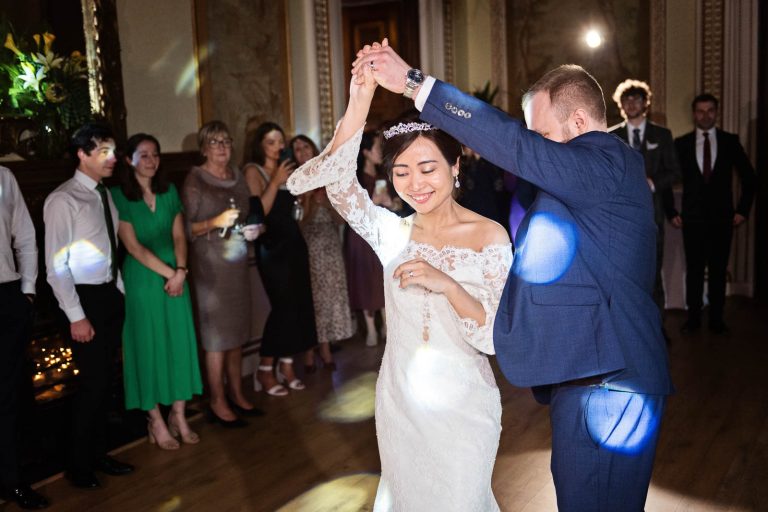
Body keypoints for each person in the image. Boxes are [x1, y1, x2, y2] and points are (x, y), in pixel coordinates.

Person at [354, 40, 673, 511]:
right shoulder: (595, 181)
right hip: (592, 373)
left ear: (580, 123)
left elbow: (514, 147)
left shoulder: (606, 162)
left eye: (541, 136)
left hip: (608, 381)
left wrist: (413, 84)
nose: (534, 150)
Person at [287, 58, 512, 511]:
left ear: (456, 165)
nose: (415, 184)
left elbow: (492, 335)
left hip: (465, 406)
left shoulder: (490, 236)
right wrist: (360, 98)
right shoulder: (391, 232)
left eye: (427, 168)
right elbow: (323, 181)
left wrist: (447, 284)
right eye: (401, 172)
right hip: (401, 404)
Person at [44, 123, 134, 489]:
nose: (112, 159)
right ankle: (78, 466)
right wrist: (77, 316)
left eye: (112, 151)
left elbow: (110, 246)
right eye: (103, 152)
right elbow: (55, 265)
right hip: (84, 301)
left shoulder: (104, 194)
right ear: (82, 154)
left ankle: (98, 454)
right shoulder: (63, 200)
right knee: (92, 385)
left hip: (108, 295)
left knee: (105, 384)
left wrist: (120, 290)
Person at [111, 134, 203, 449]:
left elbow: (179, 236)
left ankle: (178, 413)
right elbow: (133, 247)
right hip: (143, 279)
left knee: (178, 343)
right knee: (147, 344)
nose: (151, 161)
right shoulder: (118, 195)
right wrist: (170, 274)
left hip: (176, 273)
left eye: (155, 155)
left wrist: (181, 271)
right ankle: (155, 419)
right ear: (129, 160)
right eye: (144, 155)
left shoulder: (169, 191)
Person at [181, 121, 262, 427]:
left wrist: (254, 227)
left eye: (226, 141)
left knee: (237, 333)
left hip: (236, 263)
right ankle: (216, 400)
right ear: (203, 147)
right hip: (209, 269)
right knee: (216, 338)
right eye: (215, 142)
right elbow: (185, 229)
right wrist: (214, 221)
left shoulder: (237, 176)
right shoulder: (194, 180)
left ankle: (237, 393)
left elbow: (245, 214)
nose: (222, 148)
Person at [243, 122, 317, 395]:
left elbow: (299, 216)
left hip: (295, 243)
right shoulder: (254, 171)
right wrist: (274, 181)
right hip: (272, 248)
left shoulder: (289, 171)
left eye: (279, 142)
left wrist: (306, 196)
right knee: (282, 307)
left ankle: (286, 365)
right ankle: (264, 369)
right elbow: (258, 211)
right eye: (271, 142)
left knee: (299, 306)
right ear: (260, 145)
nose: (278, 147)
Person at [673, 94, 756, 335]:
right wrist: (671, 210)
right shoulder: (682, 144)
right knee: (695, 270)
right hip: (692, 218)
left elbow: (750, 178)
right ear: (694, 114)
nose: (705, 115)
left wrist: (742, 210)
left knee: (718, 270)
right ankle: (694, 318)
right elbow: (667, 178)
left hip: (722, 219)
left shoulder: (730, 141)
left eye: (710, 110)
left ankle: (717, 319)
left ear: (716, 113)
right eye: (700, 111)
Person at [609, 79, 681, 341]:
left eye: (637, 100)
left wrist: (652, 182)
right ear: (621, 105)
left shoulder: (662, 135)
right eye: (627, 100)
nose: (632, 104)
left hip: (653, 215)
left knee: (653, 271)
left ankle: (656, 328)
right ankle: (626, 330)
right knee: (624, 273)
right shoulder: (612, 136)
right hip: (620, 220)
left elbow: (674, 171)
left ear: (645, 103)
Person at [0, 166, 49, 509]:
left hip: (7, 297)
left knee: (9, 397)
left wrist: (28, 290)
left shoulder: (4, 177)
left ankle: (13, 481)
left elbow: (25, 235)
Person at [290, 135, 354, 371]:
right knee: (311, 300)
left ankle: (326, 347)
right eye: (296, 149)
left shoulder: (328, 177)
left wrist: (326, 203)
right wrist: (309, 202)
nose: (302, 152)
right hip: (307, 247)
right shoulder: (295, 182)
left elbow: (340, 220)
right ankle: (310, 350)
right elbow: (298, 225)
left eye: (305, 146)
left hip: (329, 246)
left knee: (328, 298)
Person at [345, 130, 392, 347]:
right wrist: (373, 200)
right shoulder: (355, 179)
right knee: (365, 279)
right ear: (365, 152)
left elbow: (392, 205)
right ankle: (371, 327)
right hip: (362, 236)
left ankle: (386, 324)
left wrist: (390, 203)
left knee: (383, 278)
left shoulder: (383, 176)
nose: (380, 152)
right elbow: (354, 210)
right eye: (377, 148)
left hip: (382, 233)